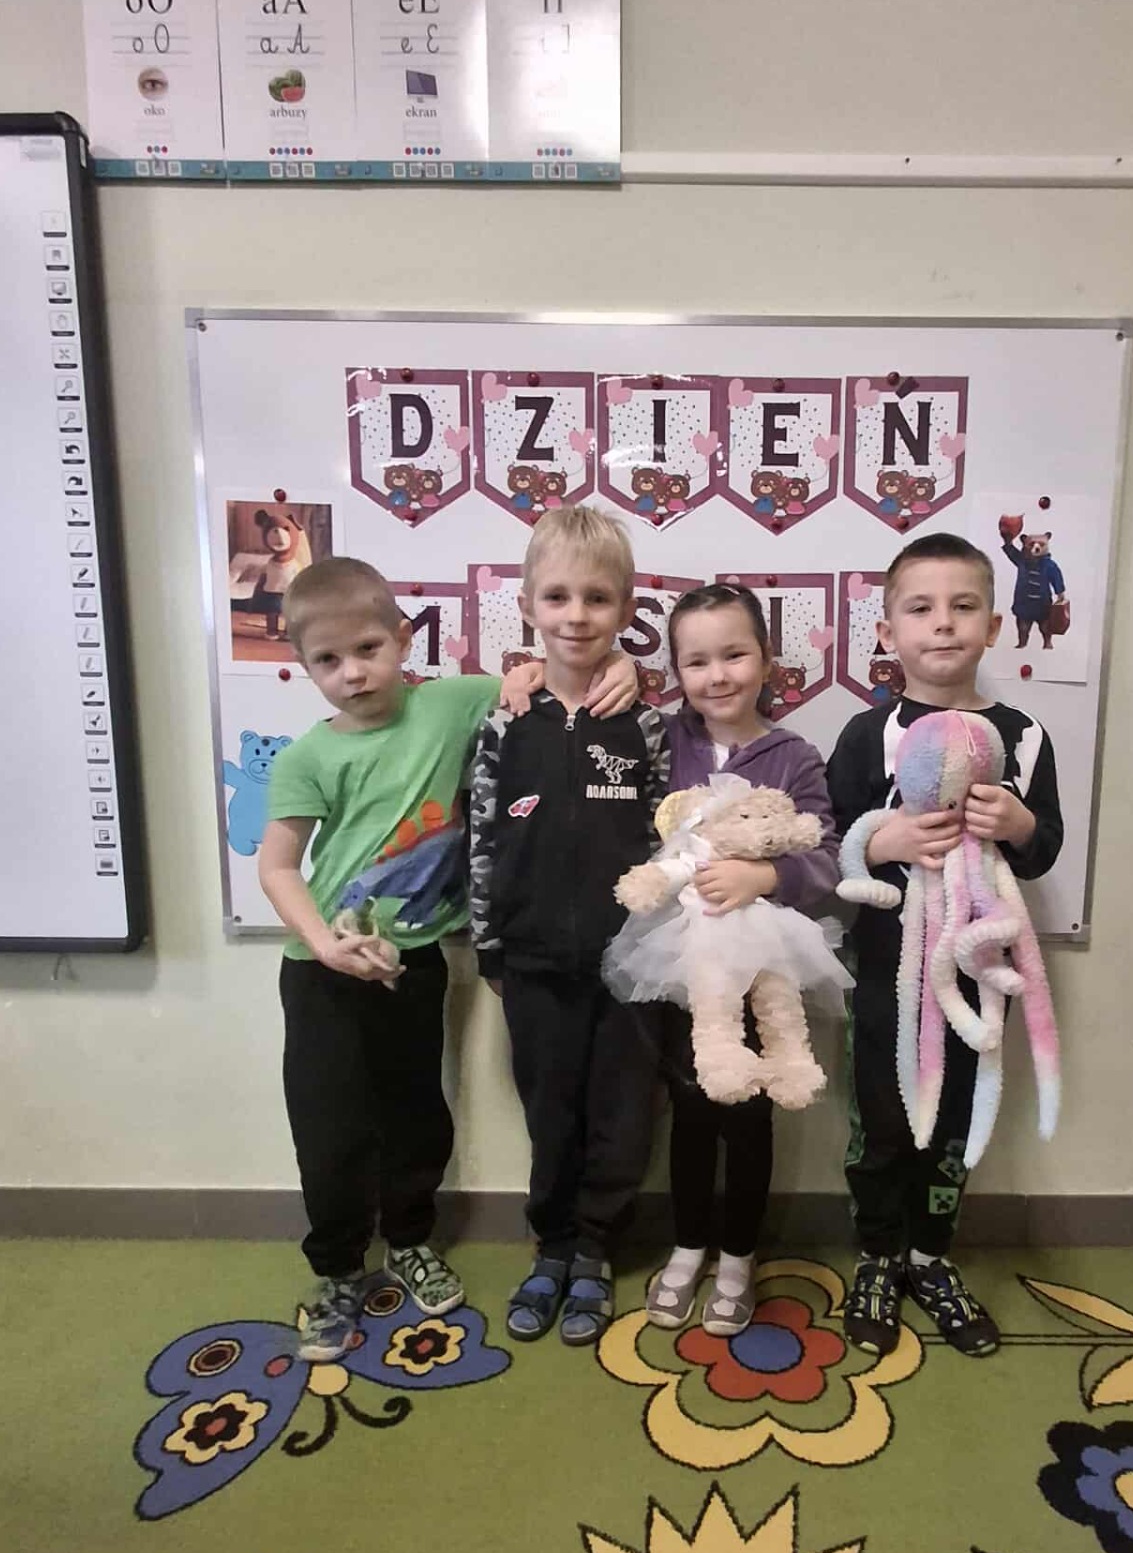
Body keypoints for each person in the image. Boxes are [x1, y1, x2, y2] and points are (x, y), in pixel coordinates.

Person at [257, 555, 635, 1361]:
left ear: (404, 639)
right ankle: (336, 1270)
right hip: (322, 972)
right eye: (328, 661)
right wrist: (323, 944)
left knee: (416, 1114)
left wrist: (624, 667)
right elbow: (278, 866)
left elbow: (542, 679)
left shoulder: (454, 703)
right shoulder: (306, 758)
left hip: (416, 961)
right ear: (304, 667)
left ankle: (410, 1241)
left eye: (368, 649)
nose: (353, 673)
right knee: (328, 1129)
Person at [826, 534, 1063, 1359]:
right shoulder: (867, 734)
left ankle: (931, 1257)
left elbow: (1044, 848)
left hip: (980, 974)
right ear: (887, 631)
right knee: (883, 1122)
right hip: (883, 974)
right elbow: (828, 846)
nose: (943, 624)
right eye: (920, 608)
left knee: (957, 1122)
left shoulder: (1023, 736)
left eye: (964, 607)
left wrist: (1019, 823)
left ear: (993, 626)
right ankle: (878, 1257)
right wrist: (880, 840)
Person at [608, 582, 842, 1336]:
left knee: (748, 1114)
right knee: (689, 1106)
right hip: (679, 965)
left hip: (763, 964)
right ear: (675, 670)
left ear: (766, 661)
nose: (717, 675)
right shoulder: (658, 739)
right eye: (697, 661)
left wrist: (764, 877)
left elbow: (827, 855)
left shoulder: (796, 756)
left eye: (735, 655)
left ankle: (738, 1256)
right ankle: (687, 1245)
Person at [469, 508, 670, 1348]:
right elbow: (483, 832)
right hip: (531, 955)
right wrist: (489, 940)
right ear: (527, 606)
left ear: (626, 610)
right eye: (557, 597)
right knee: (550, 1108)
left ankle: (594, 1247)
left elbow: (670, 835)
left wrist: (660, 940)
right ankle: (551, 1244)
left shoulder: (646, 722)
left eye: (597, 598)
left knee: (622, 1112)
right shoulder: (506, 718)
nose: (576, 616)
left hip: (632, 958)